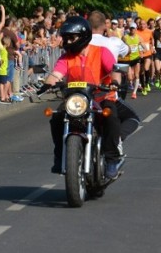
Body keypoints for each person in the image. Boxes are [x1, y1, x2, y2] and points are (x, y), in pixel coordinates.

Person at [38, 16, 140, 181]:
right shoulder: (66, 57)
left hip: (102, 96)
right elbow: (56, 74)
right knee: (56, 118)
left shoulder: (101, 52)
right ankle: (59, 156)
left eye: (71, 38)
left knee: (111, 116)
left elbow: (114, 70)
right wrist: (47, 85)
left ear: (84, 35)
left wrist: (114, 82)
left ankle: (112, 159)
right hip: (76, 99)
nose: (68, 41)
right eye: (66, 38)